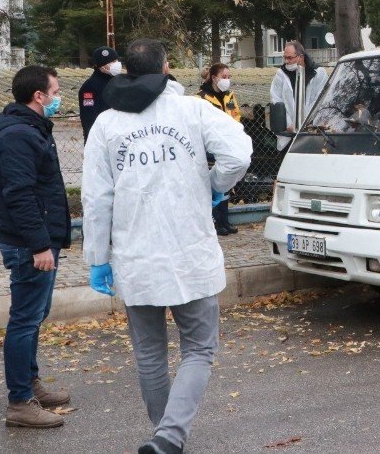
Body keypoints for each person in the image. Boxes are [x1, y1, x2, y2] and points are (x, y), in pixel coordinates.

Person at [82, 39, 252, 454]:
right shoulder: (192, 109)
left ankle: (163, 434)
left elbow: (96, 197)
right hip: (188, 249)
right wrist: (213, 187)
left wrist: (97, 259)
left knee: (149, 353)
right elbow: (239, 153)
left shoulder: (106, 123)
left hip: (136, 255)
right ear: (166, 67)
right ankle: (169, 437)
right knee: (199, 347)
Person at [0, 65, 72, 429]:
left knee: (33, 316)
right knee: (24, 320)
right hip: (29, 245)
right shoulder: (19, 135)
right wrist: (39, 245)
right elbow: (19, 195)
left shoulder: (30, 129)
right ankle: (20, 401)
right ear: (39, 96)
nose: (58, 97)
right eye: (55, 90)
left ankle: (30, 383)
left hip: (38, 240)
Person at [197, 63, 241, 235]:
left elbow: (236, 116)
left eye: (229, 77)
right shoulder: (201, 97)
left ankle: (224, 219)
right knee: (213, 184)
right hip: (211, 147)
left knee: (226, 184)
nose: (227, 80)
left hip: (228, 145)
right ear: (214, 77)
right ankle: (214, 221)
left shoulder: (230, 95)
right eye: (224, 77)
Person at [270, 40, 328, 150]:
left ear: (300, 57)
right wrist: (288, 125)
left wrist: (306, 125)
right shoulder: (281, 74)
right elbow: (276, 99)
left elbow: (320, 101)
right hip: (289, 135)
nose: (287, 61)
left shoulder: (318, 73)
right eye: (285, 57)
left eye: (290, 58)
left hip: (313, 134)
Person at [78, 46, 122, 141]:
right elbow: (89, 117)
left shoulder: (118, 82)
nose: (117, 64)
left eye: (116, 60)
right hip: (101, 139)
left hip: (118, 136)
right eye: (112, 62)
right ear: (101, 66)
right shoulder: (89, 87)